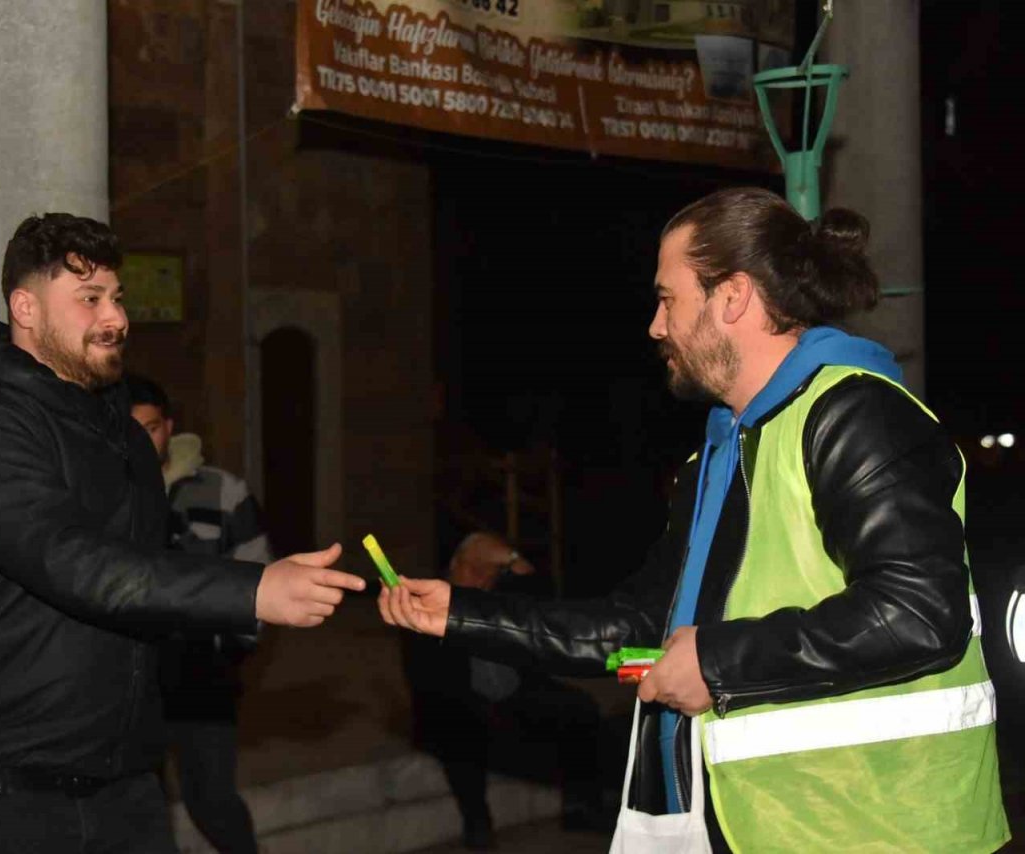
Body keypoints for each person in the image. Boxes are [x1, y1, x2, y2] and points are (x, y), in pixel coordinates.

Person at [380, 187, 1010, 852]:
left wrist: (715, 661)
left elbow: (918, 613)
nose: (656, 326)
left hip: (890, 832)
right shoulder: (718, 454)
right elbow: (639, 627)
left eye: (668, 299)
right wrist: (463, 614)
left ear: (732, 297)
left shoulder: (856, 416)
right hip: (766, 827)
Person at [0, 212, 365, 854]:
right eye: (89, 299)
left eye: (117, 298)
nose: (115, 317)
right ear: (25, 308)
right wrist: (251, 590)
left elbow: (143, 585)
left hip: (123, 791)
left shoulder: (121, 431)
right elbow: (72, 562)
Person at [128, 373, 268, 854]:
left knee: (212, 799)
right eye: (130, 431)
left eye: (150, 428)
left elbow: (258, 578)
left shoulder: (222, 491)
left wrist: (229, 651)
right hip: (131, 679)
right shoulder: (107, 493)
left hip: (203, 677)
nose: (142, 442)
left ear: (168, 427)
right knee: (138, 809)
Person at [402, 532, 612, 850]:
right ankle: (477, 822)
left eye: (489, 573)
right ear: (454, 566)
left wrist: (512, 559)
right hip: (456, 699)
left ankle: (581, 807)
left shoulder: (500, 595)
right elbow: (428, 679)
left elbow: (545, 596)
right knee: (459, 727)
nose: (480, 580)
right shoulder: (428, 601)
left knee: (579, 707)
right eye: (473, 570)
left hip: (513, 691)